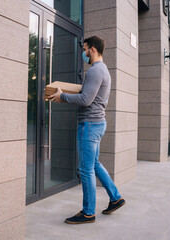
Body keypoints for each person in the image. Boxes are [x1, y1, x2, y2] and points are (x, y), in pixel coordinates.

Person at [48, 36, 125, 224]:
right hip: (97, 123)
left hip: (89, 125)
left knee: (85, 169)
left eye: (84, 49)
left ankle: (88, 212)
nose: (83, 53)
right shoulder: (104, 70)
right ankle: (115, 198)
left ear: (92, 49)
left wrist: (62, 96)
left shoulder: (95, 71)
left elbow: (85, 100)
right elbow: (90, 96)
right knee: (95, 165)